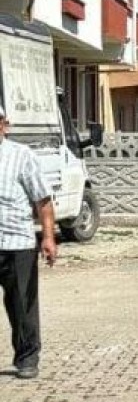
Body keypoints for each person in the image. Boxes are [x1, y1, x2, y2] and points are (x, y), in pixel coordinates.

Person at [0, 106, 56, 380]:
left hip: (17, 243)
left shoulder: (21, 156)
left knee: (21, 303)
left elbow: (43, 200)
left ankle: (27, 357)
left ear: (5, 125)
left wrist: (48, 237)